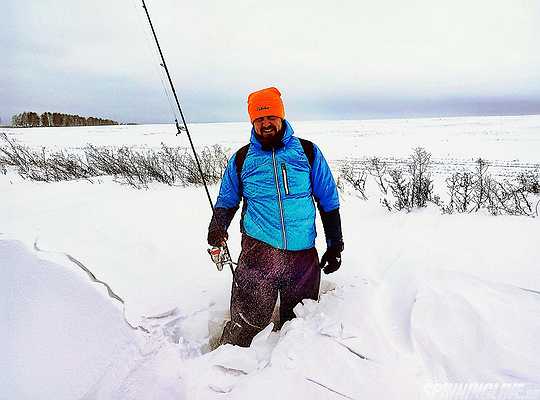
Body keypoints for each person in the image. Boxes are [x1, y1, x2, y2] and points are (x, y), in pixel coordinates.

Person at [207, 87, 343, 347]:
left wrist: (335, 245)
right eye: (259, 119)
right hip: (258, 253)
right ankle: (222, 371)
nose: (266, 123)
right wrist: (217, 227)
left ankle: (290, 382)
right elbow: (226, 201)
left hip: (302, 256)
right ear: (252, 122)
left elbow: (328, 201)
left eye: (270, 117)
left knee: (299, 328)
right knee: (246, 327)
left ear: (281, 117)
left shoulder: (308, 152)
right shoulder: (242, 159)